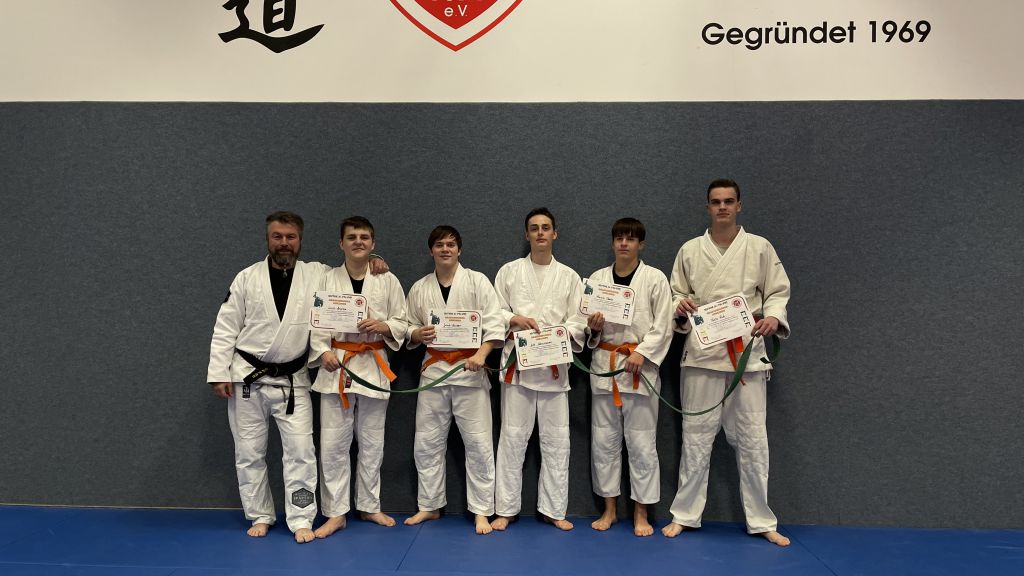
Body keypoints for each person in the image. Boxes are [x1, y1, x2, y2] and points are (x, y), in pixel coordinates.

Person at [207, 211, 386, 543]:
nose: (284, 243)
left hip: (293, 380)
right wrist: (219, 373)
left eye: (290, 237)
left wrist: (372, 261)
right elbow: (225, 327)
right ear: (267, 239)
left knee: (302, 452)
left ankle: (301, 516)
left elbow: (349, 270)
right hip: (248, 378)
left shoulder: (316, 274)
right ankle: (260, 515)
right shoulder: (246, 278)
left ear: (300, 240)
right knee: (249, 452)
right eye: (277, 236)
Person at [661, 179, 792, 547]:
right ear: (707, 207)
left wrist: (773, 317)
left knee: (753, 440)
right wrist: (680, 307)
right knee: (695, 438)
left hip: (746, 356)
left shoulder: (760, 247)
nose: (722, 207)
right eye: (716, 202)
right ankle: (685, 515)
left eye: (728, 201)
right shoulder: (690, 250)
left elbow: (777, 291)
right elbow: (675, 294)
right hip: (702, 356)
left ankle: (762, 520)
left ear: (739, 206)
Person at [308, 216, 407, 538]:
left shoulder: (387, 279)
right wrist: (322, 351)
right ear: (341, 243)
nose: (358, 242)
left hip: (374, 365)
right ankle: (335, 513)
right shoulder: (326, 278)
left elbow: (403, 320)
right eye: (352, 237)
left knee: (372, 443)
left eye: (364, 237)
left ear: (373, 243)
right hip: (336, 366)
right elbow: (315, 322)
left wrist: (385, 326)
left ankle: (369, 505)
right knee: (333, 445)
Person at [403, 225, 505, 535]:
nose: (445, 249)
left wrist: (482, 354)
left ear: (459, 249)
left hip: (470, 371)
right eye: (439, 245)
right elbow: (407, 326)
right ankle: (429, 505)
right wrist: (416, 334)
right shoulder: (420, 288)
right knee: (426, 442)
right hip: (434, 371)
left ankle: (482, 511)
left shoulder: (477, 281)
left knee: (478, 443)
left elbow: (495, 324)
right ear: (431, 251)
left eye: (450, 244)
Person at [490, 208, 586, 532]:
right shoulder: (509, 272)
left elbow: (579, 321)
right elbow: (494, 312)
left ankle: (554, 510)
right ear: (527, 234)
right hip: (518, 368)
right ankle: (505, 509)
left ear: (554, 233)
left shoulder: (570, 277)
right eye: (534, 228)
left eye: (546, 228)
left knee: (557, 442)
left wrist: (559, 334)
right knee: (512, 438)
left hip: (554, 369)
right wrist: (513, 319)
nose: (540, 233)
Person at [585, 218, 673, 537]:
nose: (624, 243)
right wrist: (593, 330)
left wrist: (644, 353)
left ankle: (641, 513)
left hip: (640, 369)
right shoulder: (597, 279)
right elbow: (585, 329)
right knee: (603, 443)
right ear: (612, 243)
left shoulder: (655, 279)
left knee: (642, 445)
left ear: (641, 244)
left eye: (631, 238)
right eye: (619, 238)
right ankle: (609, 509)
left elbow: (664, 325)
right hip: (605, 368)